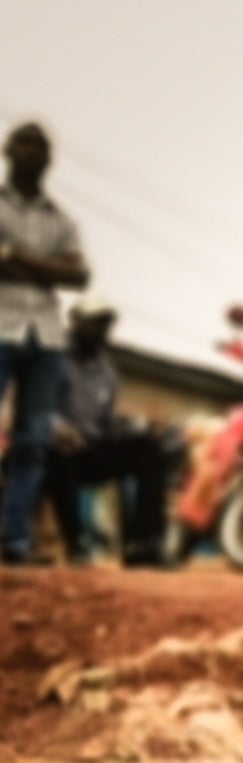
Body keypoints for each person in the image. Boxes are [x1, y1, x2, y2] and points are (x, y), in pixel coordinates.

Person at [0, 121, 89, 565]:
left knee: (33, 441)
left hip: (48, 337)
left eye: (42, 147)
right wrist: (49, 269)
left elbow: (80, 276)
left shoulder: (62, 218)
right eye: (25, 144)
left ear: (50, 160)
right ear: (8, 150)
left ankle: (15, 539)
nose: (33, 153)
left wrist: (13, 256)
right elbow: (64, 273)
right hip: (2, 325)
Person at [44, 296, 170, 565]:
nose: (100, 330)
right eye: (94, 323)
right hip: (52, 449)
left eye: (104, 324)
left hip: (90, 450)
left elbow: (106, 421)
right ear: (76, 322)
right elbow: (36, 407)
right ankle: (76, 544)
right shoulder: (52, 357)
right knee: (61, 453)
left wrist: (137, 426)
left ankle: (144, 544)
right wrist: (60, 430)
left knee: (148, 449)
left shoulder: (107, 372)